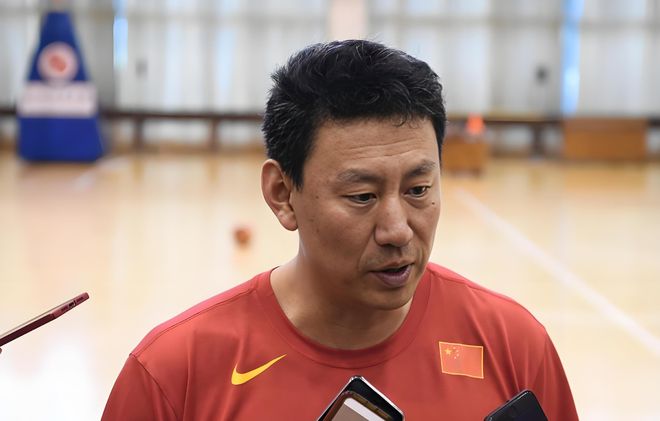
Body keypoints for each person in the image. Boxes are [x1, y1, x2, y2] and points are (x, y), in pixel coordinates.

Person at [102, 40, 578, 420]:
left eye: (418, 189)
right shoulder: (173, 376)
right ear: (282, 194)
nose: (397, 230)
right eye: (362, 196)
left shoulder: (513, 347)